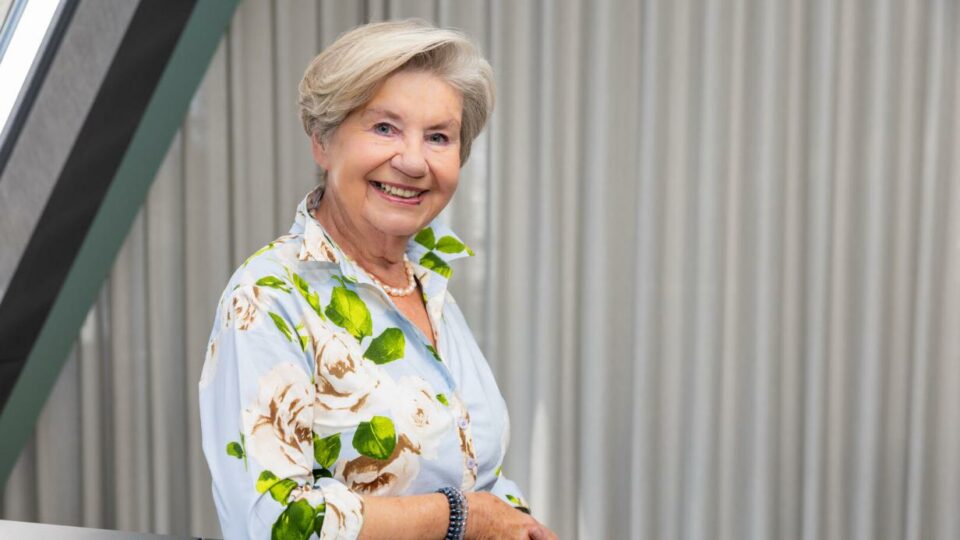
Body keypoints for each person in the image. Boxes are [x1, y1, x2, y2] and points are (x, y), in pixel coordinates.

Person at [199, 19, 557, 540]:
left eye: (438, 137)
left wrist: (516, 521)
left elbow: (476, 473)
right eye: (385, 128)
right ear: (322, 141)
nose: (412, 161)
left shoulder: (425, 283)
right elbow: (274, 524)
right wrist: (465, 517)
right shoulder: (269, 298)